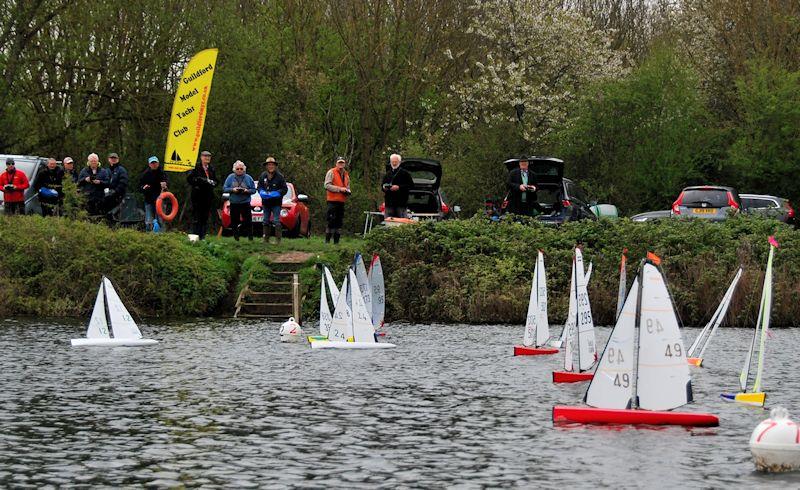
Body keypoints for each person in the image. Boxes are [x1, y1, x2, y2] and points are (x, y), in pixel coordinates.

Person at [257, 156, 288, 244]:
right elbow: (259, 187)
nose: (270, 166)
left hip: (276, 203)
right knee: (265, 220)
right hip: (266, 202)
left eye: (272, 165)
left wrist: (277, 193)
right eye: (269, 165)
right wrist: (261, 192)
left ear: (275, 166)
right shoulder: (263, 176)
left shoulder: (280, 177)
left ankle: (278, 240)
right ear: (266, 166)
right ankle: (266, 239)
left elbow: (284, 189)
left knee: (276, 220)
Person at [187, 150, 217, 239]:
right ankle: (195, 236)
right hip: (198, 195)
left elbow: (216, 180)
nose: (207, 158)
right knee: (197, 216)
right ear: (201, 157)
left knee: (205, 217)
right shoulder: (196, 167)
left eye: (209, 157)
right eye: (205, 156)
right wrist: (202, 180)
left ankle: (202, 236)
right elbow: (190, 179)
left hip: (208, 196)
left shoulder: (211, 168)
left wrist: (213, 182)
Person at [223, 160, 256, 241]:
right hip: (234, 203)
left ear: (244, 169)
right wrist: (232, 190)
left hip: (245, 202)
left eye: (241, 169)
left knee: (248, 221)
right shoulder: (230, 177)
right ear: (234, 169)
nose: (239, 170)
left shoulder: (248, 177)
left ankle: (250, 238)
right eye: (238, 169)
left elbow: (254, 190)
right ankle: (236, 238)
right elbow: (224, 188)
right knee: (234, 221)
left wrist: (247, 191)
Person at [324, 156, 351, 244]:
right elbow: (327, 185)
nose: (341, 164)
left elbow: (347, 186)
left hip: (342, 201)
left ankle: (336, 242)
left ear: (344, 164)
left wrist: (347, 191)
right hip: (332, 200)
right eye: (339, 162)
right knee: (331, 221)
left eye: (342, 163)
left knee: (339, 222)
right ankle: (327, 241)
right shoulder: (331, 172)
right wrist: (339, 189)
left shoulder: (346, 174)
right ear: (336, 163)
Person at [139, 156, 169, 231]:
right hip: (149, 201)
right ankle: (149, 238)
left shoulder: (163, 173)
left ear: (158, 163)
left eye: (155, 163)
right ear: (149, 164)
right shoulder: (145, 174)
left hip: (161, 201)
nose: (154, 164)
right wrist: (143, 187)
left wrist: (165, 186)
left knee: (161, 221)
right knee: (149, 222)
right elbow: (139, 187)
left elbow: (168, 187)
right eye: (152, 163)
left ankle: (162, 238)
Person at [381, 153, 414, 218]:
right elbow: (382, 186)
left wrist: (399, 187)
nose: (394, 163)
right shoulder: (387, 174)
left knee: (401, 224)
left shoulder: (405, 173)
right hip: (389, 204)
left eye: (395, 162)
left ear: (399, 162)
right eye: (392, 162)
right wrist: (384, 187)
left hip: (401, 204)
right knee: (388, 223)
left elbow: (411, 185)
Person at [104, 152, 128, 222]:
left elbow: (123, 183)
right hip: (108, 198)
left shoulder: (121, 170)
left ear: (118, 159)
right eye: (112, 158)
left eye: (115, 158)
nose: (113, 159)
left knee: (118, 216)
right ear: (109, 159)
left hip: (119, 197)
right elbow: (104, 182)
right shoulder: (106, 171)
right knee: (108, 216)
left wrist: (115, 191)